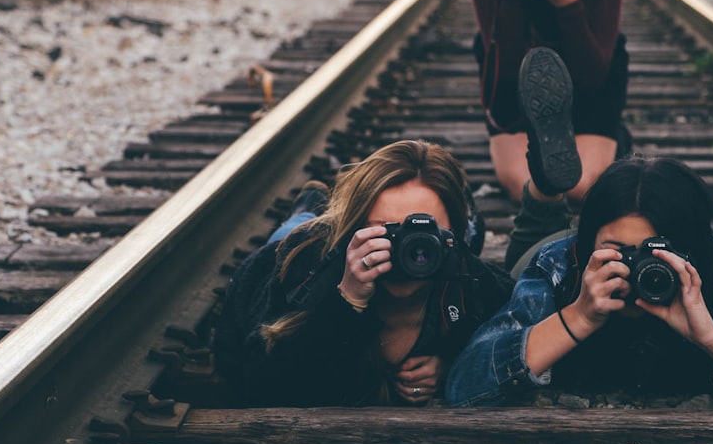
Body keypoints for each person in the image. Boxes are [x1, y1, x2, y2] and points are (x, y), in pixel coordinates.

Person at [445, 155, 713, 408]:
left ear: (689, 251)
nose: (641, 270)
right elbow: (464, 383)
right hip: (543, 252)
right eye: (617, 251)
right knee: (519, 268)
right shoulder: (561, 264)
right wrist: (578, 316)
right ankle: (543, 201)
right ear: (586, 244)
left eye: (657, 254)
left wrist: (712, 338)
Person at [213, 140, 514, 407]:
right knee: (294, 230)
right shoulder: (303, 265)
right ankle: (306, 208)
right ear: (355, 231)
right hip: (300, 245)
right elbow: (261, 388)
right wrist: (347, 299)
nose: (407, 251)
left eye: (423, 231)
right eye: (385, 230)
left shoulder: (467, 275)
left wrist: (451, 365)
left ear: (454, 237)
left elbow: (521, 337)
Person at [470, 0, 628, 206]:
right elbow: (508, 75)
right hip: (513, 92)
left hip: (590, 85)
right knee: (530, 190)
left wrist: (569, 6)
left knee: (581, 187)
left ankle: (607, 137)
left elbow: (592, 78)